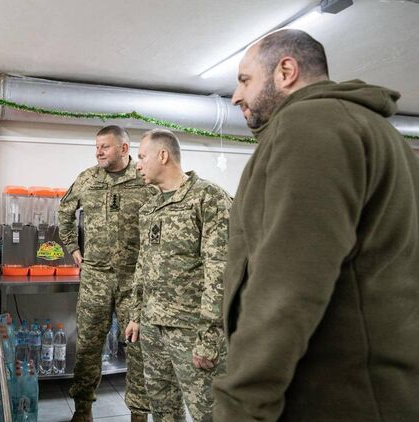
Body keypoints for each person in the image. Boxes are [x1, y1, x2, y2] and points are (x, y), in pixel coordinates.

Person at [212, 29, 419, 421]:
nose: (236, 96)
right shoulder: (380, 133)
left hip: (335, 397)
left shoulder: (308, 125)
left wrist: (241, 406)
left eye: (245, 80)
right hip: (381, 390)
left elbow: (287, 285)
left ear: (285, 71)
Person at [125, 129, 230, 422]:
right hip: (153, 327)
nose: (137, 165)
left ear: (163, 155)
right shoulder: (150, 208)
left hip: (191, 330)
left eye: (142, 157)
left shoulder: (207, 198)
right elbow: (143, 266)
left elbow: (221, 271)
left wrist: (210, 337)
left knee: (209, 411)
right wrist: (136, 315)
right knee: (163, 409)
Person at [58, 125, 155, 422]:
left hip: (133, 280)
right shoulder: (88, 179)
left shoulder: (144, 178)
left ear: (124, 148)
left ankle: (139, 414)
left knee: (138, 349)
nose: (98, 152)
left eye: (105, 146)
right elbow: (64, 211)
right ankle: (83, 410)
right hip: (95, 278)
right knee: (88, 346)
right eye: (97, 146)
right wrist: (73, 246)